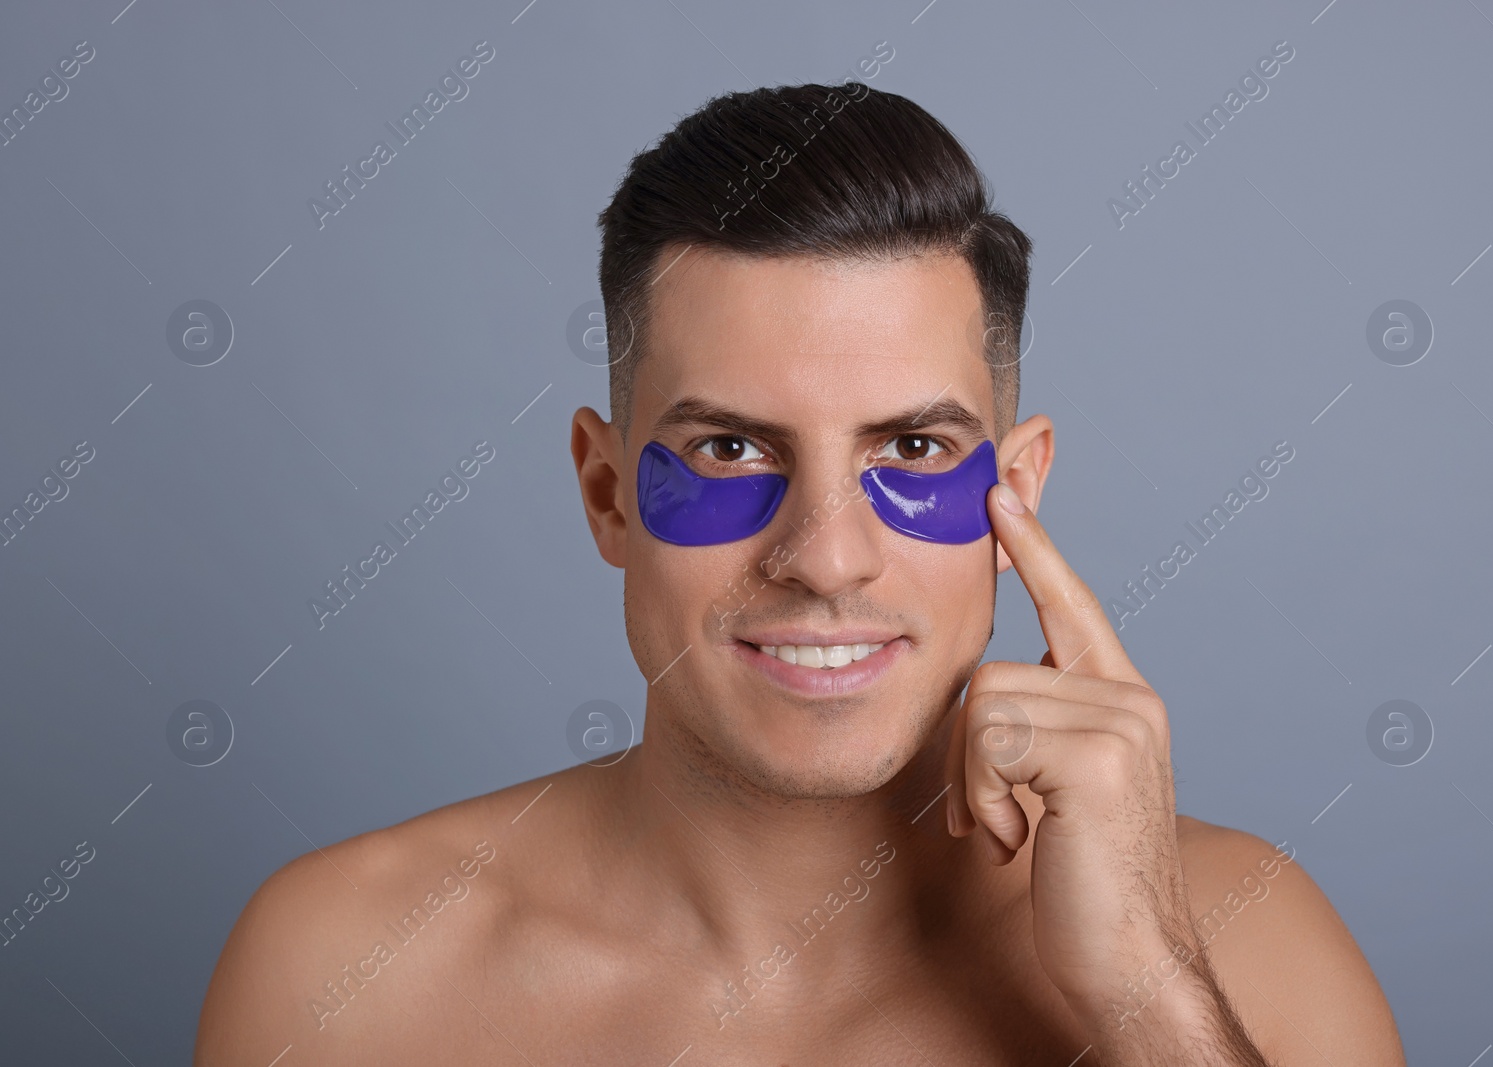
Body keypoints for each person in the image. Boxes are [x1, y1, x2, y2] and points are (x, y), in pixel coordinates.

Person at [196, 82, 1406, 1065]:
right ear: (606, 492)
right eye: (729, 447)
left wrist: (1147, 992)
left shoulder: (1245, 949)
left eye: (913, 449)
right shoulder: (342, 974)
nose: (824, 557)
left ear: (1016, 491)